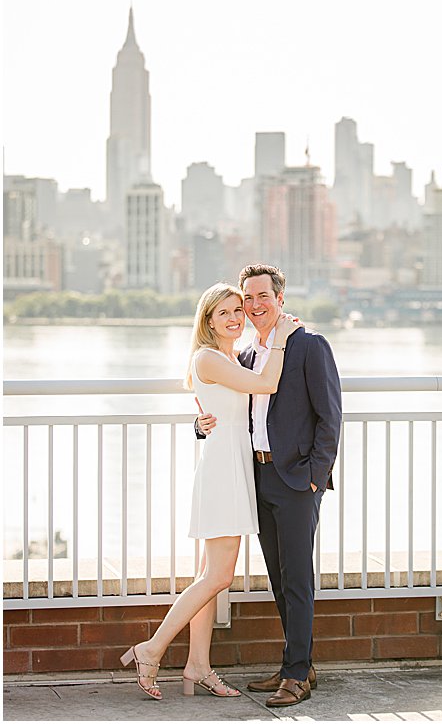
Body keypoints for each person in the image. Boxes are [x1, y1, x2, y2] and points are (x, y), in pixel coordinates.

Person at [119, 283, 301, 700]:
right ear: (208, 320)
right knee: (219, 575)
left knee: (209, 576)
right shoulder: (208, 357)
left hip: (229, 465)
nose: (236, 317)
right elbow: (267, 385)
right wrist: (284, 338)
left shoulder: (228, 356)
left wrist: (201, 423)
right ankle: (151, 649)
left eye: (239, 309)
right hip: (223, 471)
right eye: (225, 313)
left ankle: (198, 665)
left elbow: (224, 410)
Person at [193, 263, 343, 707]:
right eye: (247, 299)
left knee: (296, 578)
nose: (255, 306)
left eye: (263, 297)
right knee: (278, 576)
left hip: (296, 479)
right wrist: (200, 425)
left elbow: (330, 418)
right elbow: (226, 405)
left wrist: (316, 477)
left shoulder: (309, 345)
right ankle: (298, 665)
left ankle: (296, 675)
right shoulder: (247, 355)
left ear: (281, 298)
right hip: (256, 476)